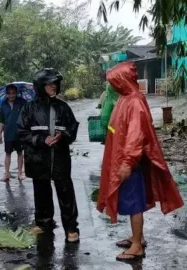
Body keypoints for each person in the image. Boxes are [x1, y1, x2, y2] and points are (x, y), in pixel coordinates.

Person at [96, 61, 184, 262]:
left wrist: (127, 162)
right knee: (131, 201)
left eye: (114, 81)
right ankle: (137, 237)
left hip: (130, 163)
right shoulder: (126, 98)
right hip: (124, 159)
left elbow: (136, 136)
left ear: (122, 80)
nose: (112, 85)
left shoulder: (134, 101)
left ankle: (136, 246)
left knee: (133, 203)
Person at [17, 68, 80, 243]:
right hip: (38, 159)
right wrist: (41, 140)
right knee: (41, 192)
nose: (53, 87)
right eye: (49, 84)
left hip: (59, 158)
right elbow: (21, 132)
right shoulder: (29, 108)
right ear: (40, 86)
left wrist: (63, 136)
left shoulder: (63, 108)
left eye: (55, 84)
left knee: (65, 192)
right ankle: (43, 223)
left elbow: (72, 129)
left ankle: (71, 228)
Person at [0, 84, 27, 181]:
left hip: (20, 132)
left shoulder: (22, 102)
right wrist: (0, 134)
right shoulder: (3, 105)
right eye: (9, 93)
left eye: (13, 93)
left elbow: (28, 116)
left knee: (20, 152)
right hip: (8, 133)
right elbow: (2, 120)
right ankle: (6, 174)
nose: (11, 95)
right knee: (7, 153)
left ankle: (20, 173)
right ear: (6, 94)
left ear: (17, 93)